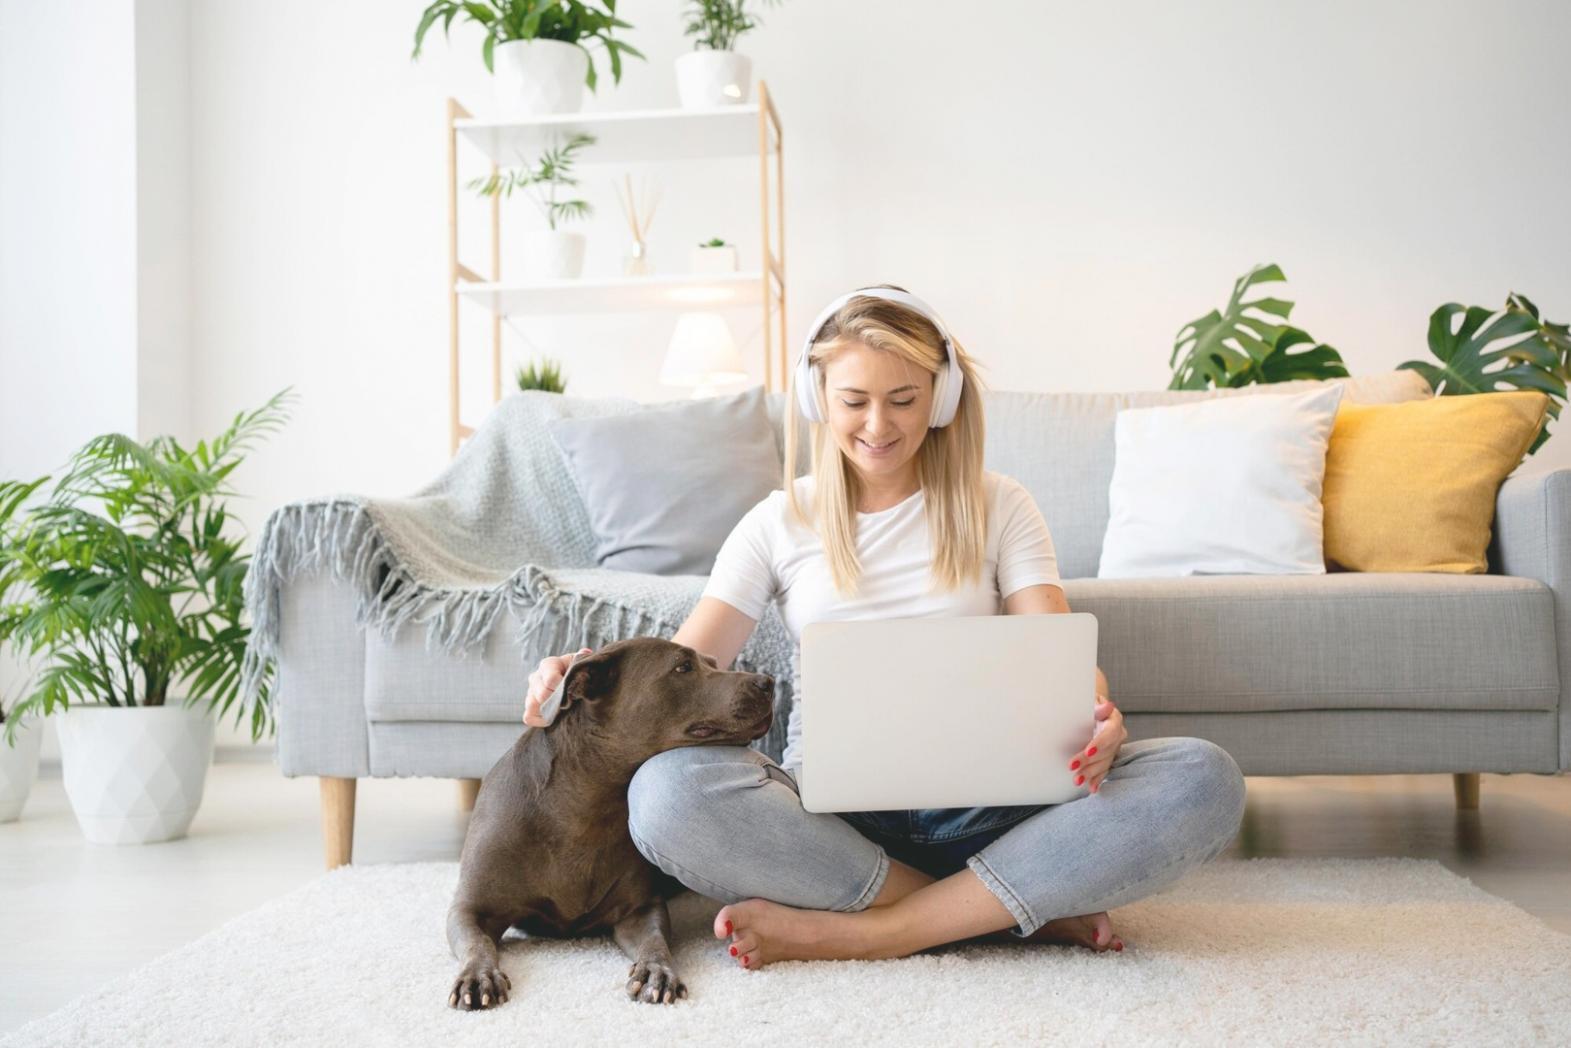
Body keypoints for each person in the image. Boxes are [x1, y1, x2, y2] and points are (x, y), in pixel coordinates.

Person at [523, 285, 1247, 970]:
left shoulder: (1001, 504)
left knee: (1200, 777)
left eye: (903, 399)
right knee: (665, 794)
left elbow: (1057, 655)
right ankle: (996, 909)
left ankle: (879, 931)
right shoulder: (778, 521)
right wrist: (582, 670)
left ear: (941, 397)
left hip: (993, 809)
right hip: (832, 825)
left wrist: (1096, 713)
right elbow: (684, 667)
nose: (878, 425)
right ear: (818, 398)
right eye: (855, 401)